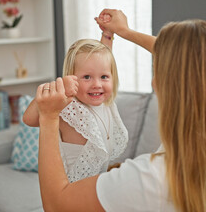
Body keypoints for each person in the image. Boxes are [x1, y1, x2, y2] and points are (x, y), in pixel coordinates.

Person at [35, 9, 206, 212]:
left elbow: (56, 205)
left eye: (158, 72)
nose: (154, 81)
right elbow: (198, 62)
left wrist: (48, 116)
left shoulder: (148, 177)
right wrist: (125, 32)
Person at [23, 26, 128, 183]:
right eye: (87, 77)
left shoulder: (106, 104)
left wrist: (107, 35)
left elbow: (105, 60)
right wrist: (58, 87)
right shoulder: (68, 105)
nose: (97, 84)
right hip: (70, 189)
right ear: (71, 78)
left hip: (96, 187)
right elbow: (28, 119)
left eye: (104, 77)